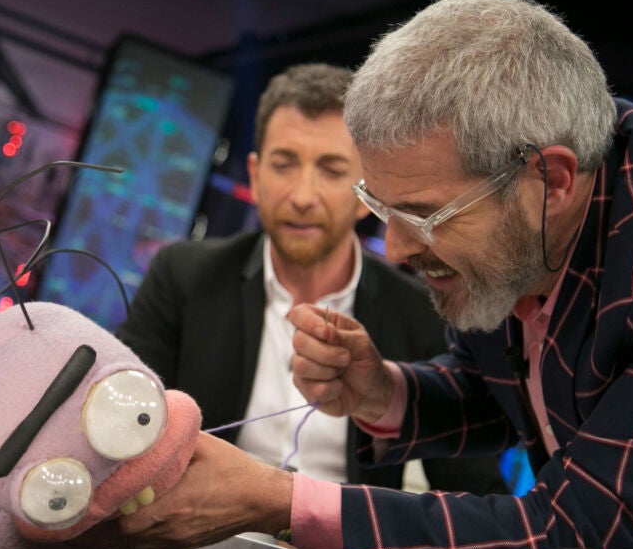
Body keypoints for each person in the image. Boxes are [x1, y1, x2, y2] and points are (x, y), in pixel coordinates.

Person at [82, 0, 633, 549]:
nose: (395, 249)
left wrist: (279, 500)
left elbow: (570, 537)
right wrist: (385, 390)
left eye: (423, 216)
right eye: (379, 206)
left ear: (551, 178)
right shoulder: (543, 203)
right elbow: (510, 384)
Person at [117, 63, 507, 495]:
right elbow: (123, 425)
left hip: (347, 535)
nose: (303, 196)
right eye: (284, 165)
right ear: (255, 177)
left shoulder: (423, 311)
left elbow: (473, 490)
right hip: (199, 524)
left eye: (331, 170)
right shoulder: (184, 276)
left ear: (368, 194)